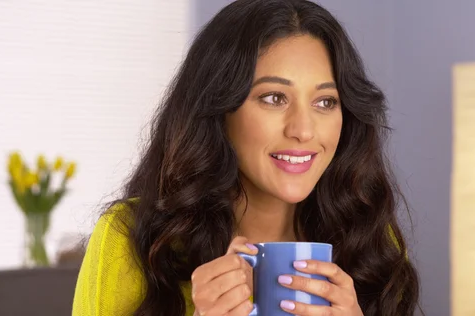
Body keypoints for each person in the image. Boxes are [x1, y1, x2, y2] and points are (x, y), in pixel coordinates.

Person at [72, 0, 420, 315]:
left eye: (325, 102)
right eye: (273, 98)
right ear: (220, 110)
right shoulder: (132, 240)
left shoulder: (371, 241)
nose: (303, 130)